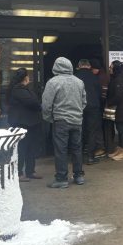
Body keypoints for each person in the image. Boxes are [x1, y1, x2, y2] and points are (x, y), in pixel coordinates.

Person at [42, 57, 87, 187]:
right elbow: (84, 101)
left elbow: (46, 104)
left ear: (56, 67)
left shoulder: (53, 82)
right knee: (77, 149)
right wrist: (77, 112)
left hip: (61, 120)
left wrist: (49, 118)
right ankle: (79, 176)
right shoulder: (79, 82)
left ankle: (61, 179)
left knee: (61, 150)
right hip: (77, 120)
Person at [6, 68, 42, 182]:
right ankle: (20, 173)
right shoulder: (18, 89)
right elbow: (33, 102)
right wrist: (38, 104)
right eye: (28, 76)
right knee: (22, 148)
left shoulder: (22, 89)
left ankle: (30, 171)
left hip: (28, 123)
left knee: (30, 147)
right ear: (24, 78)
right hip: (23, 123)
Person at [75, 59, 102, 165]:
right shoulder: (94, 77)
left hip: (78, 107)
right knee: (91, 131)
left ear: (79, 65)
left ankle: (78, 157)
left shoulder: (75, 77)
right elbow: (99, 93)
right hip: (93, 107)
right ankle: (90, 157)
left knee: (78, 131)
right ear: (89, 66)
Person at [106, 60, 123, 161]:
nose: (109, 69)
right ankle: (120, 150)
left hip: (121, 108)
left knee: (122, 130)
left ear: (115, 68)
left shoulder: (120, 79)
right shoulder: (117, 77)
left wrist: (109, 102)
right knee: (120, 129)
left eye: (111, 67)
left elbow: (118, 95)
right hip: (119, 108)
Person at [90, 58, 109, 158]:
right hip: (101, 105)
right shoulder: (102, 75)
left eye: (92, 69)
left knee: (98, 127)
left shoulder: (101, 77)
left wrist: (100, 103)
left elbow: (103, 94)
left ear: (95, 68)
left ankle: (101, 148)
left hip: (101, 105)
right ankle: (102, 146)